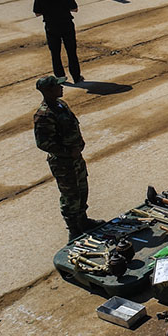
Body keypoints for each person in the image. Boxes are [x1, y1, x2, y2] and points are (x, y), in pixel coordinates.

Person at [33, 75, 96, 237]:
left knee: (82, 190)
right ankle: (74, 231)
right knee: (70, 196)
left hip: (76, 159)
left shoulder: (61, 104)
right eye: (57, 86)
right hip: (63, 163)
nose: (62, 87)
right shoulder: (44, 115)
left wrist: (79, 144)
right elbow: (43, 143)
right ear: (47, 90)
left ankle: (83, 221)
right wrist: (68, 152)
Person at [32, 0, 83, 83]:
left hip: (51, 26)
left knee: (55, 53)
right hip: (66, 25)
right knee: (71, 52)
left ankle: (60, 77)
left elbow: (37, 13)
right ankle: (76, 77)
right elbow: (74, 9)